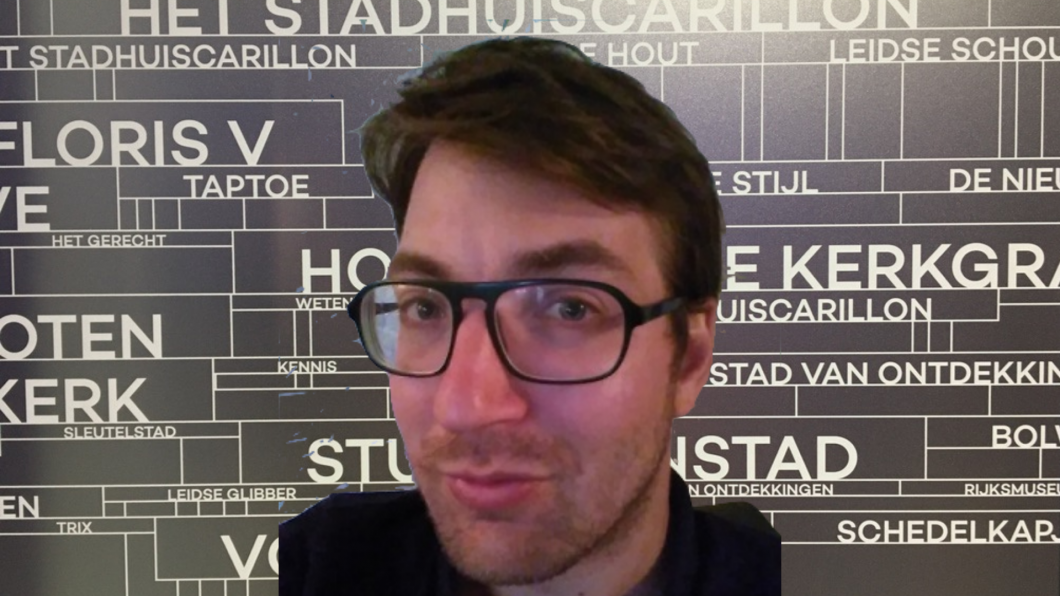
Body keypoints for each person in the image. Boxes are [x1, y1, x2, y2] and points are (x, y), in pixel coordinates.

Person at [279, 36, 780, 596]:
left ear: (688, 358)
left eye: (570, 308)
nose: (466, 408)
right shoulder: (324, 565)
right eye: (426, 307)